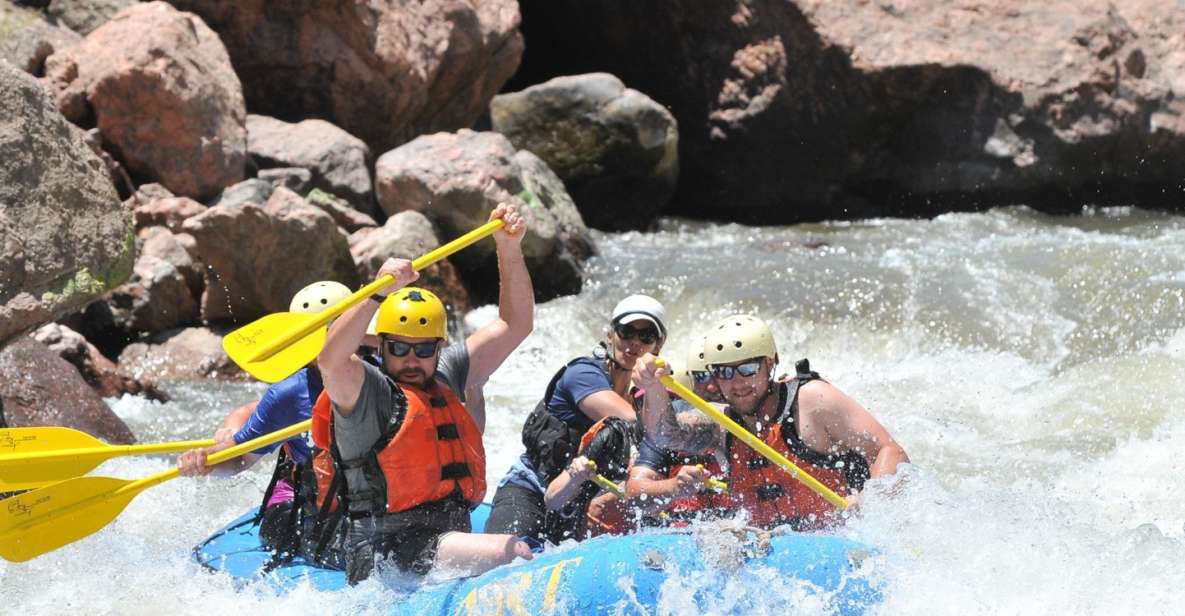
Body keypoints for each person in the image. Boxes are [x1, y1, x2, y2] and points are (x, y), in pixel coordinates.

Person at [317, 203, 534, 584]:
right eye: (399, 348)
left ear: (438, 347)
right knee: (515, 553)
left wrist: (508, 247)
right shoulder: (367, 392)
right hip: (384, 548)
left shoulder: (445, 374)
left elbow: (515, 324)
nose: (412, 359)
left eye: (423, 349)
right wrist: (376, 294)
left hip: (442, 536)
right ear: (381, 348)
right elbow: (331, 361)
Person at [633, 314, 909, 530]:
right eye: (725, 372)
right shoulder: (721, 423)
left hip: (839, 539)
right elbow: (664, 435)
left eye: (748, 368)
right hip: (774, 548)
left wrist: (870, 502)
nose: (738, 382)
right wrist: (654, 388)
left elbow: (889, 451)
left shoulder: (812, 401)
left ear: (771, 362)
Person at [179, 280, 352, 549]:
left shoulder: (382, 371)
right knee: (281, 533)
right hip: (307, 498)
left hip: (362, 497)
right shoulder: (290, 393)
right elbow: (239, 459)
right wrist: (208, 460)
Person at [484, 294, 668, 545]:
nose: (634, 343)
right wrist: (658, 393)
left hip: (581, 499)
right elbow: (636, 424)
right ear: (611, 335)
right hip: (533, 488)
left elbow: (667, 435)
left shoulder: (647, 397)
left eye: (646, 337)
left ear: (657, 347)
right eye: (626, 332)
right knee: (512, 555)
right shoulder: (582, 374)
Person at [626, 341, 735, 525]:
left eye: (720, 374)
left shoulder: (755, 416)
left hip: (743, 524)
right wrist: (674, 486)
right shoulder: (674, 420)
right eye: (700, 377)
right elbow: (634, 495)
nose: (711, 387)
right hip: (683, 531)